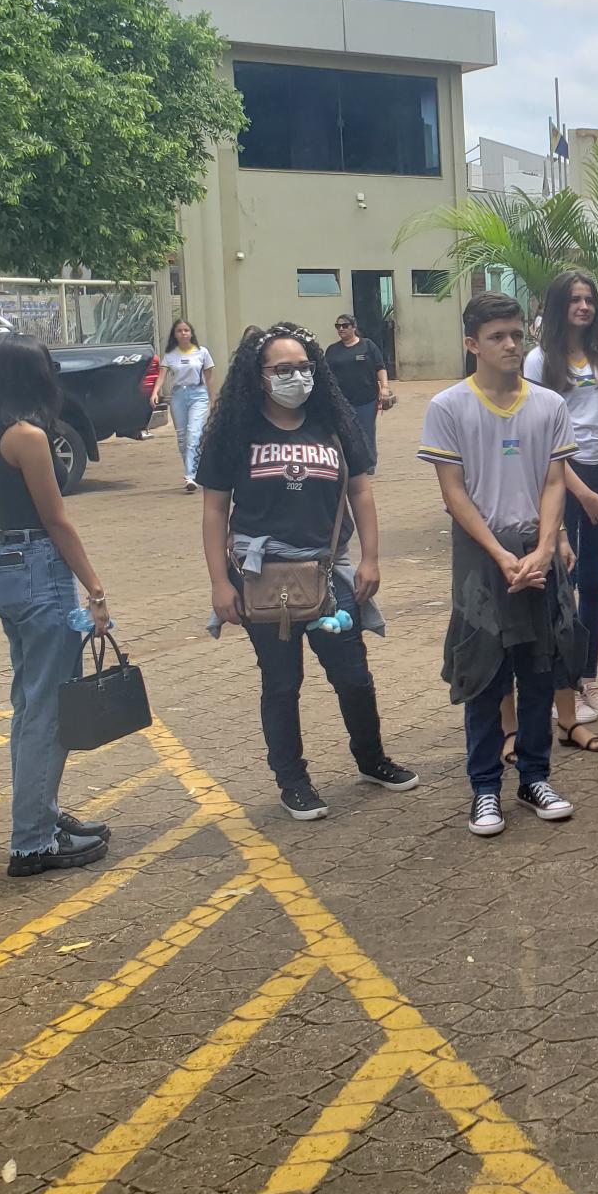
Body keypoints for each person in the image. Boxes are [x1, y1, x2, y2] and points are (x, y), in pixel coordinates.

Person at [199, 323, 418, 819]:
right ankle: (293, 781)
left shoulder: (334, 425)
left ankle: (371, 759)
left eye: (303, 367)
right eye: (282, 369)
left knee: (354, 676)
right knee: (281, 683)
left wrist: (370, 559)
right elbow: (214, 510)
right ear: (258, 376)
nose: (295, 377)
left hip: (328, 576)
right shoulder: (237, 432)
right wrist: (218, 583)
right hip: (261, 579)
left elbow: (360, 491)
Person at [420, 292, 578, 836]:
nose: (511, 344)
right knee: (483, 671)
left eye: (516, 333)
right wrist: (499, 552)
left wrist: (545, 547)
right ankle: (484, 788)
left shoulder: (549, 405)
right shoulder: (448, 407)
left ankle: (535, 777)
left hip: (536, 550)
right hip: (481, 554)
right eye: (497, 337)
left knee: (539, 668)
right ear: (473, 344)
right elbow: (453, 492)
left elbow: (554, 482)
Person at [0, 334, 117, 875]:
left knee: (30, 706)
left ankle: (41, 815)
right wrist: (95, 589)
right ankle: (32, 839)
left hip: (6, 565)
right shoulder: (28, 437)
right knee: (48, 710)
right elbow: (57, 520)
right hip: (39, 569)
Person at [524, 270, 598, 724]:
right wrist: (584, 494)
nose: (583, 307)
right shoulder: (538, 361)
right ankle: (561, 686)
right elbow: (542, 437)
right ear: (558, 306)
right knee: (559, 582)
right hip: (559, 476)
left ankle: (588, 677)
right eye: (574, 300)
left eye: (589, 299)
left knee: (592, 581)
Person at [154, 319, 217, 492]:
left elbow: (210, 377)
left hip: (198, 395)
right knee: (183, 438)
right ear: (174, 334)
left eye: (186, 330)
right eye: (179, 331)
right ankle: (194, 470)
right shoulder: (170, 355)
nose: (183, 333)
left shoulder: (202, 352)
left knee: (194, 434)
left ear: (191, 333)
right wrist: (155, 392)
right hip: (178, 396)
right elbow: (162, 376)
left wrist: (213, 400)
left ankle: (190, 475)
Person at [323, 314, 390, 456]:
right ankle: (350, 461)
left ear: (354, 327)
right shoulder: (332, 350)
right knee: (344, 433)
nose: (341, 329)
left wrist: (384, 387)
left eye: (345, 326)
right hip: (341, 402)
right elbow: (326, 373)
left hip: (366, 401)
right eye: (338, 326)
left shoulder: (367, 346)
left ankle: (369, 462)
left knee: (366, 433)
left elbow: (380, 367)